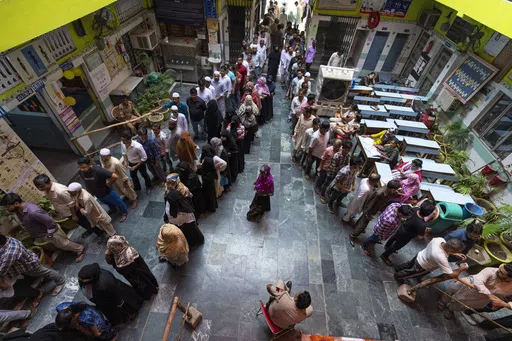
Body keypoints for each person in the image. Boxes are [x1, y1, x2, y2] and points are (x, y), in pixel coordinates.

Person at [1, 193, 86, 262]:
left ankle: (79, 249)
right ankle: (74, 247)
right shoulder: (19, 211)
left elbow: (50, 221)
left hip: (50, 233)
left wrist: (49, 234)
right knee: (62, 243)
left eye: (8, 207)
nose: (7, 209)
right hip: (43, 233)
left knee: (63, 243)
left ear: (16, 203)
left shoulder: (32, 211)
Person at [33, 174, 103, 238]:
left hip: (73, 211)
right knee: (83, 223)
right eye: (38, 187)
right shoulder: (47, 189)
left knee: (85, 222)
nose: (40, 189)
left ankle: (99, 233)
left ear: (48, 182)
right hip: (66, 211)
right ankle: (91, 230)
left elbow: (71, 203)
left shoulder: (60, 191)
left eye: (42, 186)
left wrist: (74, 215)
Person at [439, 264, 512, 323]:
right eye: (500, 269)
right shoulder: (490, 270)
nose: (498, 271)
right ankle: (443, 301)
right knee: (452, 290)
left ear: (509, 278)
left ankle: (451, 309)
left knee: (462, 305)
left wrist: (504, 304)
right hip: (470, 285)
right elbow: (478, 282)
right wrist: (489, 295)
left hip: (481, 299)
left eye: (501, 273)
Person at [0, 233, 65, 297]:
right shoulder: (7, 239)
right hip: (28, 259)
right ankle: (49, 275)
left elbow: (2, 270)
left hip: (29, 266)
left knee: (46, 272)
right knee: (42, 271)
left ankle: (60, 282)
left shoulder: (9, 255)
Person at [77, 263, 142, 326]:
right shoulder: (85, 278)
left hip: (113, 299)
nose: (81, 280)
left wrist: (119, 303)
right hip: (102, 301)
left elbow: (115, 296)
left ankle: (130, 313)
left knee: (125, 307)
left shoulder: (106, 282)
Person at [380, 199, 437, 265]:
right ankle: (384, 255)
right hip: (406, 236)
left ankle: (387, 246)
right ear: (428, 214)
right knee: (396, 246)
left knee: (394, 237)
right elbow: (420, 237)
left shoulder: (415, 209)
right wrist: (426, 232)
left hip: (402, 227)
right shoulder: (422, 225)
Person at [105, 235, 158, 300]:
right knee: (147, 278)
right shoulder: (129, 249)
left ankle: (148, 294)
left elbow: (120, 270)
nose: (109, 249)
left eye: (110, 248)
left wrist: (107, 255)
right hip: (143, 270)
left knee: (142, 285)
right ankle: (154, 286)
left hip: (135, 276)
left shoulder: (121, 260)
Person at [393, 238, 468, 284]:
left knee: (409, 264)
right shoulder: (441, 257)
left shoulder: (439, 240)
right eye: (458, 251)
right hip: (422, 266)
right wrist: (461, 268)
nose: (459, 252)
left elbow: (443, 250)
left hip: (420, 255)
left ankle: (397, 268)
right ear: (451, 249)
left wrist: (455, 253)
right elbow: (450, 274)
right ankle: (399, 276)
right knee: (410, 273)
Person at [77, 157, 129, 222]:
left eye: (84, 167)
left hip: (107, 192)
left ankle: (124, 212)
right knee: (108, 203)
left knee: (118, 202)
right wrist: (90, 191)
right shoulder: (81, 172)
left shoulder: (98, 170)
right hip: (97, 194)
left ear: (90, 164)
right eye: (80, 167)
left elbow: (115, 176)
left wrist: (109, 184)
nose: (82, 169)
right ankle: (114, 210)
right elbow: (85, 181)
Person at [164, 174, 205, 246]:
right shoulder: (168, 191)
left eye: (172, 183)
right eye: (169, 183)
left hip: (184, 213)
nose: (170, 185)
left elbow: (188, 200)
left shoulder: (182, 190)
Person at [120, 132, 152, 196]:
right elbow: (124, 153)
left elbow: (144, 158)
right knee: (133, 176)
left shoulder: (138, 146)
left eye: (124, 140)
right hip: (131, 163)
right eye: (122, 139)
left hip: (139, 163)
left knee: (144, 175)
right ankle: (137, 189)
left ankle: (149, 186)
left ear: (129, 139)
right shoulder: (122, 143)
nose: (122, 141)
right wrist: (126, 162)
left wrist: (136, 166)